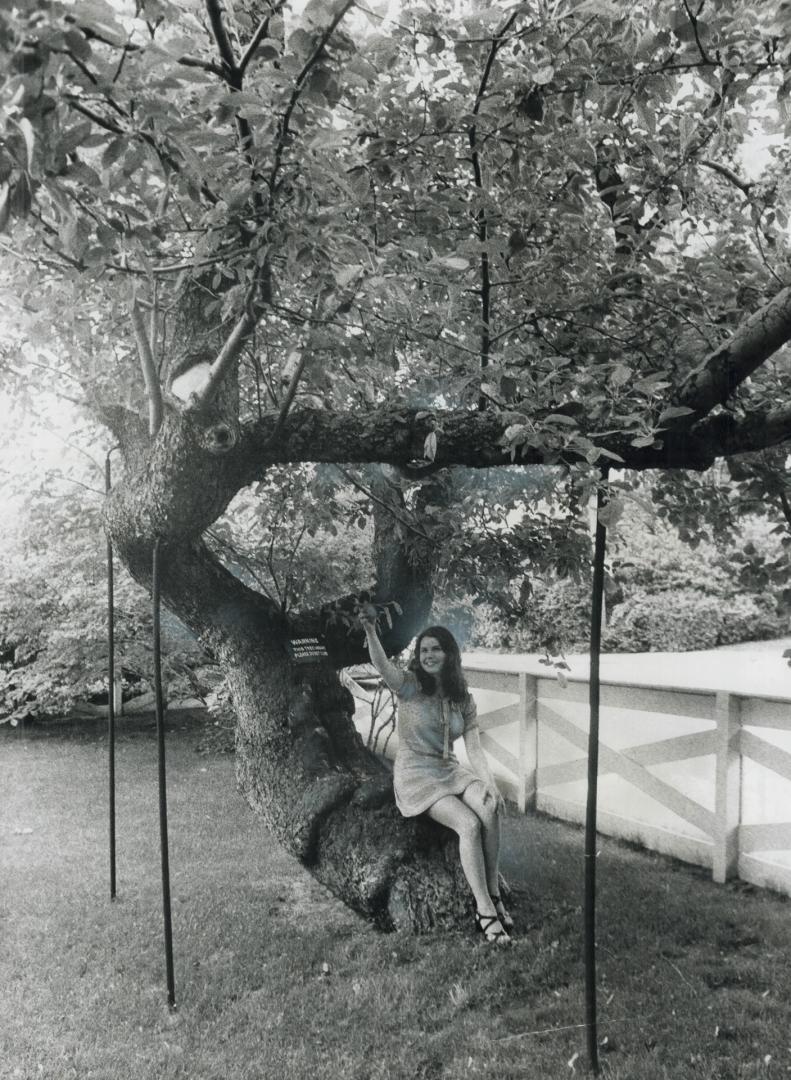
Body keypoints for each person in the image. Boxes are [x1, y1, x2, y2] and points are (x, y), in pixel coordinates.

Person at [360, 610, 513, 944]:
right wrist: (371, 630)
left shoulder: (461, 697)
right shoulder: (409, 686)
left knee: (488, 808)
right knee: (469, 825)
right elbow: (383, 667)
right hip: (416, 775)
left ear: (449, 654)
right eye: (423, 650)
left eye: (435, 649)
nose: (428, 656)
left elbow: (474, 749)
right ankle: (485, 909)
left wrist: (488, 782)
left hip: (449, 770)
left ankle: (493, 889)